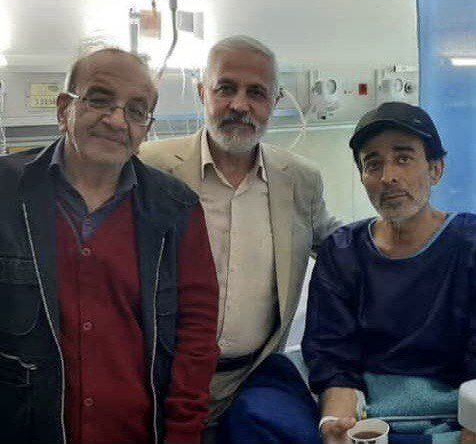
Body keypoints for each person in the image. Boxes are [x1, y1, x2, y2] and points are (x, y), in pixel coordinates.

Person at [0, 47, 219, 444]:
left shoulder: (177, 209)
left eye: (136, 110)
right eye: (99, 100)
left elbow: (196, 336)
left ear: (146, 128)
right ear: (64, 109)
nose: (117, 120)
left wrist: (183, 433)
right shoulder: (6, 193)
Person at [139, 35, 339, 439]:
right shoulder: (149, 168)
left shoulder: (300, 180)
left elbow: (342, 248)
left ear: (275, 102)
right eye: (226, 88)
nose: (240, 105)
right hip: (160, 381)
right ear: (203, 93)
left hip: (252, 379)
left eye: (256, 93)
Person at [303, 102, 476, 444]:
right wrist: (337, 424)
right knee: (260, 399)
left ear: (436, 169)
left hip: (460, 409)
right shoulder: (342, 251)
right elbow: (332, 355)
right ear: (363, 179)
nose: (388, 177)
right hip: (369, 414)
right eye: (373, 164)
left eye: (403, 158)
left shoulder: (468, 244)